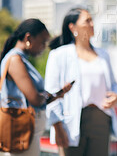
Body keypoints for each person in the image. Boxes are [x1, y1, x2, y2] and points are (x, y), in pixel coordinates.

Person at [45, 8, 117, 156]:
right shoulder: (59, 55)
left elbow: (113, 86)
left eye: (92, 20)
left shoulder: (103, 55)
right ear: (72, 27)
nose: (92, 24)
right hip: (71, 122)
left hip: (101, 120)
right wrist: (57, 126)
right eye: (87, 20)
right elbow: (51, 93)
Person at [0, 19, 72, 156]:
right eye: (43, 42)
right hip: (21, 132)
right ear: (28, 38)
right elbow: (35, 99)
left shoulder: (20, 59)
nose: (44, 47)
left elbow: (38, 98)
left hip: (25, 131)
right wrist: (50, 95)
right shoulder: (15, 60)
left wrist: (56, 94)